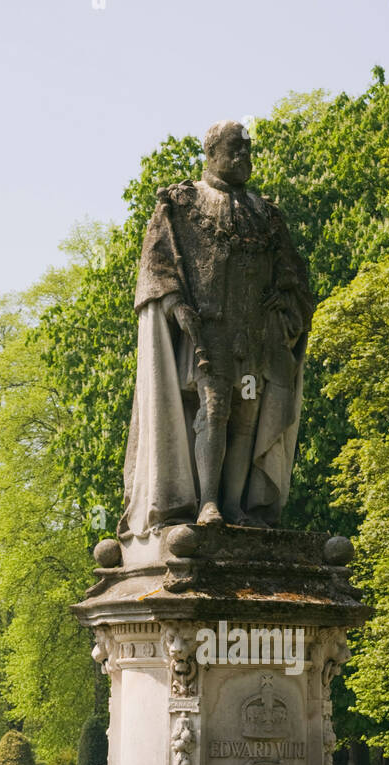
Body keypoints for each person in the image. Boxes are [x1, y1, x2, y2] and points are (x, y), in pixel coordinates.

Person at [119, 120, 314, 538]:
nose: (244, 157)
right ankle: (206, 501)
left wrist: (285, 298)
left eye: (248, 150)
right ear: (211, 153)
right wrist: (174, 305)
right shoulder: (181, 204)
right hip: (208, 334)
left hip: (254, 337)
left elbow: (293, 275)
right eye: (235, 149)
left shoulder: (266, 214)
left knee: (245, 415)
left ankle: (233, 504)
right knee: (213, 410)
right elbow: (157, 266)